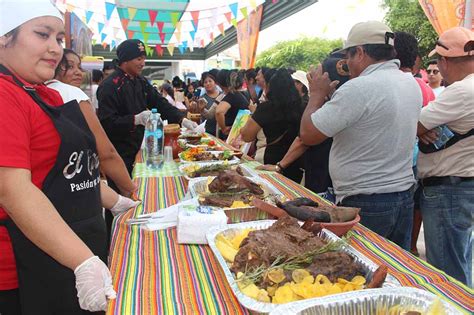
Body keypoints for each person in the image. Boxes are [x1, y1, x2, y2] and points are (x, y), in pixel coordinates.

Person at [0, 1, 115, 314]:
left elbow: (70, 171)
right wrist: (83, 262)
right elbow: (13, 189)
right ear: (3, 38)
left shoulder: (46, 94)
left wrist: (116, 201)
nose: (55, 49)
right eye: (42, 35)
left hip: (66, 248)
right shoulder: (3, 95)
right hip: (21, 271)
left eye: (60, 39)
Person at [300, 21, 421, 250]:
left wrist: (315, 95)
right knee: (392, 269)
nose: (346, 64)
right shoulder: (409, 82)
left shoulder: (359, 88)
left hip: (366, 200)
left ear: (361, 53)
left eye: (348, 56)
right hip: (402, 196)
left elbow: (309, 135)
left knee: (359, 270)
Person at [98, 39, 184, 236]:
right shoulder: (110, 86)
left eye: (144, 57)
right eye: (138, 58)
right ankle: (115, 238)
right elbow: (105, 123)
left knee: (135, 196)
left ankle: (133, 233)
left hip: (138, 150)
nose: (142, 62)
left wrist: (182, 119)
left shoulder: (140, 81)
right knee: (119, 201)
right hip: (118, 153)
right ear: (125, 59)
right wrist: (134, 119)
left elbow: (161, 103)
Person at [46, 48, 139, 212]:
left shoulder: (37, 92)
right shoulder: (72, 93)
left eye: (79, 67)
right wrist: (130, 188)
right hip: (77, 191)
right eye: (70, 66)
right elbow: (106, 153)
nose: (78, 73)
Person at [417, 27, 474, 286]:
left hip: (448, 189)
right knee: (460, 261)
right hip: (462, 186)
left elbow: (414, 123)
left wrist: (423, 130)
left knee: (447, 274)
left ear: (445, 61)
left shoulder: (461, 91)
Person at [241, 69, 304, 182]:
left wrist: (253, 113)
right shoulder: (302, 107)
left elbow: (246, 136)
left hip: (268, 161)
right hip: (294, 162)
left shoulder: (266, 108)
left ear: (271, 87)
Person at [215, 69, 249, 138]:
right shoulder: (242, 94)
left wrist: (223, 128)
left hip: (232, 135)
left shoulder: (232, 95)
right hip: (241, 133)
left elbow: (219, 112)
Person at [197, 71, 221, 136]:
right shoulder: (202, 98)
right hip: (208, 131)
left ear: (215, 82)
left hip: (221, 130)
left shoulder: (222, 95)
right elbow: (200, 115)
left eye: (210, 81)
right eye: (205, 82)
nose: (208, 84)